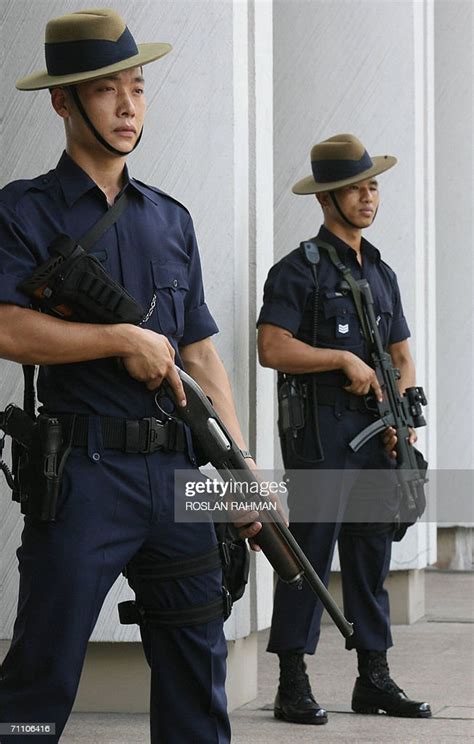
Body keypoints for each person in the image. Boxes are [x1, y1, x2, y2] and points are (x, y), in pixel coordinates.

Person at [0, 8, 261, 743]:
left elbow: (204, 355)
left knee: (196, 675)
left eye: (138, 89)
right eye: (106, 89)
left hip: (179, 474)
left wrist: (240, 469)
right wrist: (116, 338)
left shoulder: (169, 220)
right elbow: (6, 327)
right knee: (39, 676)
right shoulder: (25, 211)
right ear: (62, 100)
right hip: (83, 475)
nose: (127, 107)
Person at [257, 133, 431, 725]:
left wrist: (402, 417)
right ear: (327, 197)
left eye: (372, 184)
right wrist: (340, 360)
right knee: (309, 555)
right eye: (355, 187)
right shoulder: (297, 270)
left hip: (376, 436)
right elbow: (271, 347)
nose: (367, 195)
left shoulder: (379, 270)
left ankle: (374, 678)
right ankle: (292, 681)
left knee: (370, 556)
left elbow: (402, 351)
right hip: (322, 439)